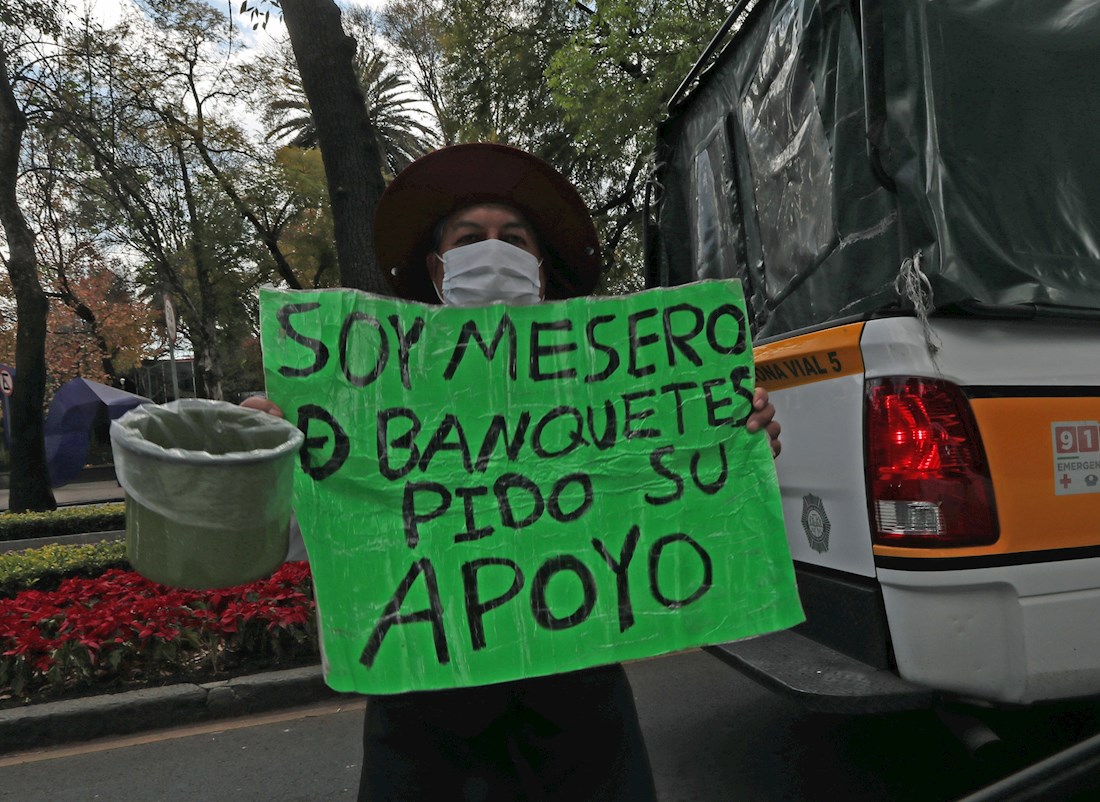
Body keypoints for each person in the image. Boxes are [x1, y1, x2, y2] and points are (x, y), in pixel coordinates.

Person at [245, 143, 781, 801]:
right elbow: (295, 535)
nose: (493, 252)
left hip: (581, 730)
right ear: (439, 270)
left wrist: (733, 444)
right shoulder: (364, 402)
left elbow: (673, 496)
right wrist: (260, 468)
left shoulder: (603, 391)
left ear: (539, 271)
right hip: (426, 736)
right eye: (470, 239)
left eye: (514, 239)